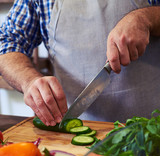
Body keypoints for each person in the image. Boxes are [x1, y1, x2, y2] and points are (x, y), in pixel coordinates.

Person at [0, 0, 160, 126]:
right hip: (78, 137)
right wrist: (29, 81)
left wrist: (146, 18)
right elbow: (7, 41)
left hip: (151, 132)